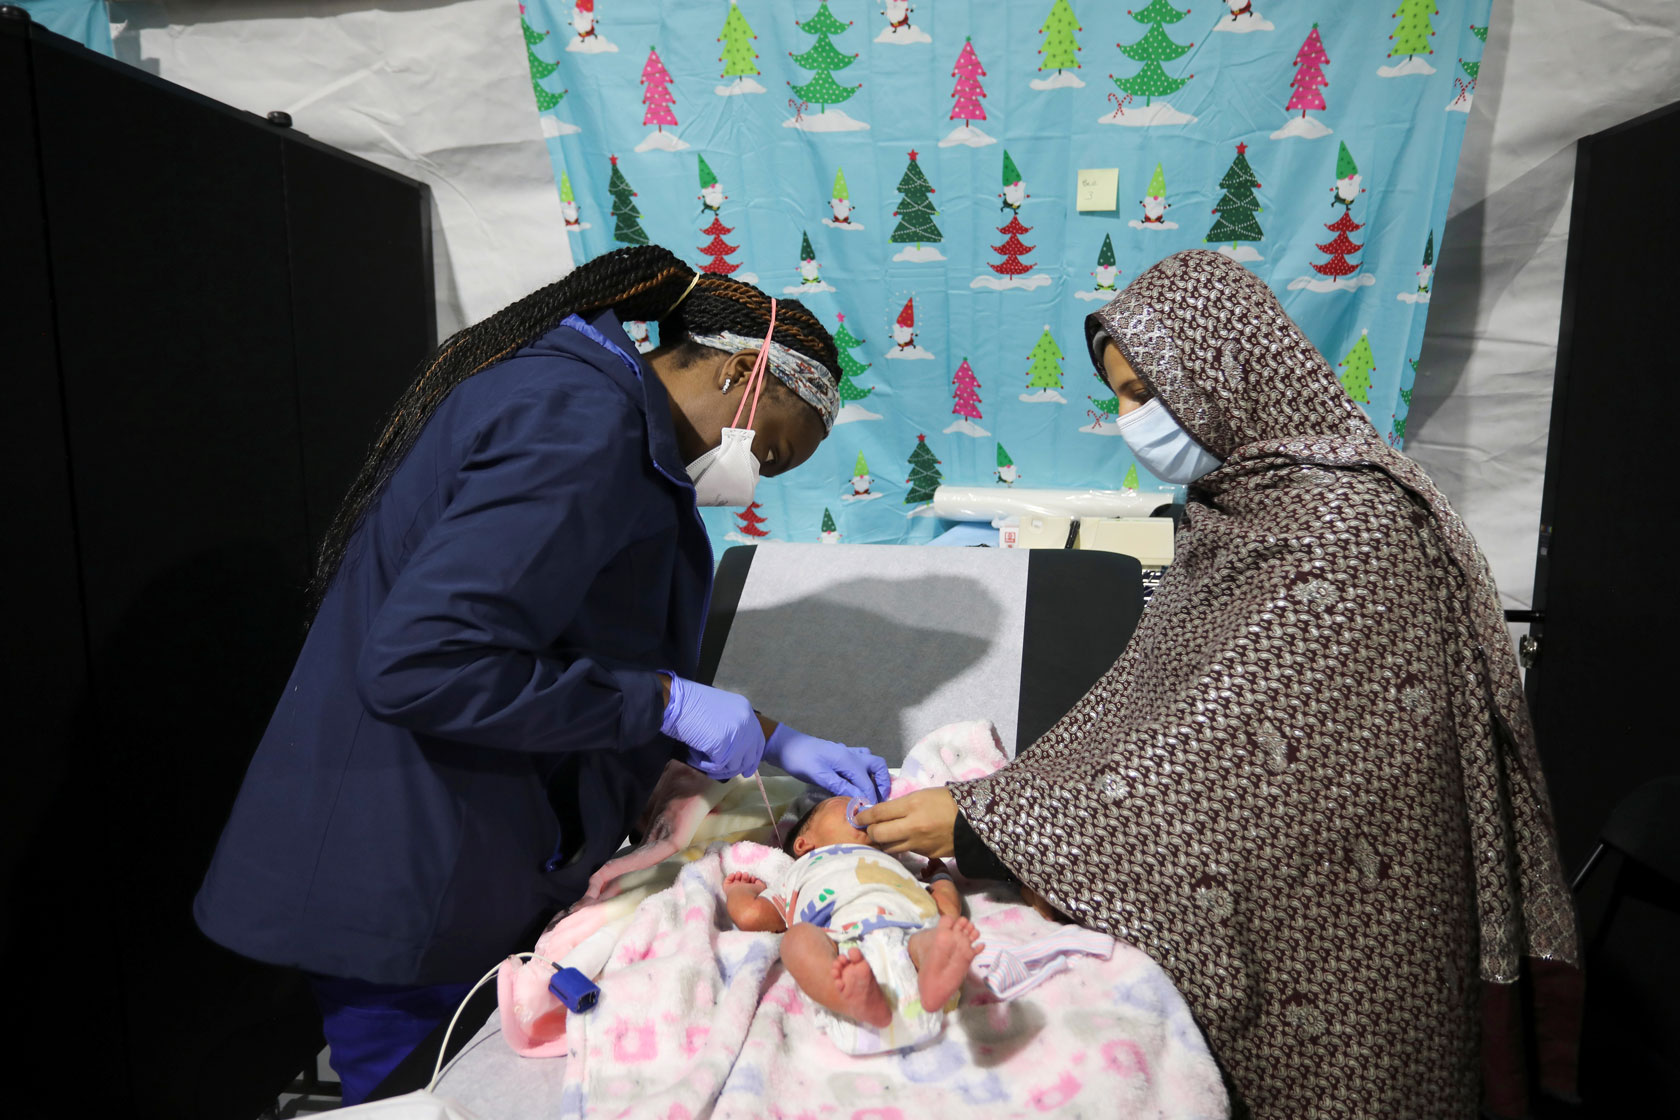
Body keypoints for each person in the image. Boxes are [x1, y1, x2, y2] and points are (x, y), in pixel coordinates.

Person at [857, 250, 1580, 1119]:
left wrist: (996, 825)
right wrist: (1019, 806)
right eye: (1119, 395)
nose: (1129, 422)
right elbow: (1163, 701)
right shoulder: (1238, 506)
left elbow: (1235, 756)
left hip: (1346, 910)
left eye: (1141, 394)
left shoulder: (1350, 526)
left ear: (1223, 375)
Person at [194, 246, 891, 1104]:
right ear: (744, 371)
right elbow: (428, 664)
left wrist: (772, 736)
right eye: (774, 454)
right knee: (413, 1092)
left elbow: (563, 631)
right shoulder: (577, 422)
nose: (754, 479)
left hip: (454, 844)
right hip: (406, 863)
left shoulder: (600, 417)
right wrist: (666, 701)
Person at [724, 795, 983, 1050]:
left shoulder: (894, 864)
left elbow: (945, 909)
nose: (862, 806)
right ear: (805, 845)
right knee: (797, 940)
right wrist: (740, 891)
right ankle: (847, 997)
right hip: (839, 948)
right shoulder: (800, 869)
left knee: (939, 934)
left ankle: (932, 978)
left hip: (911, 936)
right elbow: (752, 916)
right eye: (842, 802)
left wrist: (940, 876)